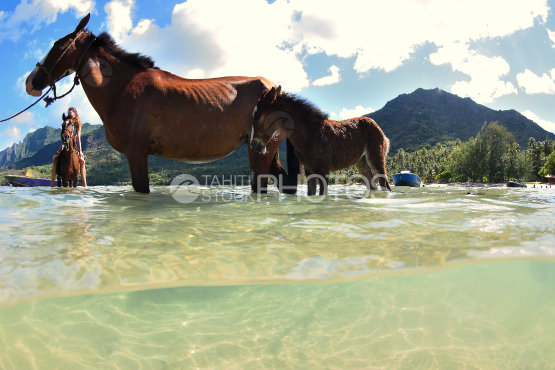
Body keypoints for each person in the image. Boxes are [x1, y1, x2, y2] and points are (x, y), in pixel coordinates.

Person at [51, 107, 87, 186]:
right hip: (64, 143)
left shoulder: (77, 123)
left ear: (75, 113)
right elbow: (63, 134)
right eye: (68, 112)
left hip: (74, 144)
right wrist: (63, 145)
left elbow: (78, 138)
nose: (69, 113)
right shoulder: (66, 121)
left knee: (82, 161)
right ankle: (52, 183)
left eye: (70, 112)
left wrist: (80, 151)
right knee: (55, 159)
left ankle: (84, 183)